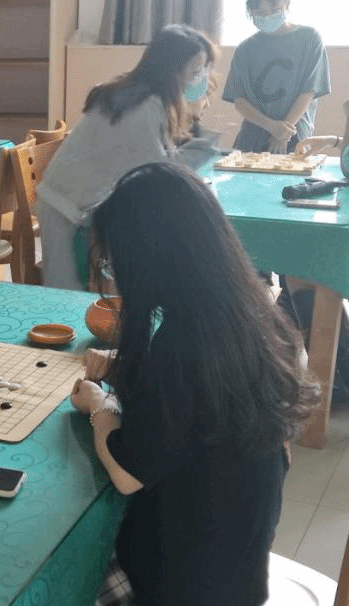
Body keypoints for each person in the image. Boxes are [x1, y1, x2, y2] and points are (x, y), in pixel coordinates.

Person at [71, 162, 319, 606]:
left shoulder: (182, 344)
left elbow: (128, 474)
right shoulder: (251, 313)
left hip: (184, 586)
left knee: (67, 563)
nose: (115, 274)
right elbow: (194, 403)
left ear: (148, 261)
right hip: (239, 571)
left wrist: (99, 405)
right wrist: (124, 368)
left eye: (114, 262)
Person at [35, 24, 216, 291]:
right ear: (171, 71)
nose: (202, 79)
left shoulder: (145, 97)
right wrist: (200, 155)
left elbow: (157, 162)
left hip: (81, 204)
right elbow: (156, 175)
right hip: (65, 209)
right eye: (196, 72)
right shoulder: (142, 107)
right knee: (65, 297)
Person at [222, 0, 330, 154]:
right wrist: (271, 126)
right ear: (250, 11)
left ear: (287, 4)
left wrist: (284, 132)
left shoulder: (309, 38)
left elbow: (309, 91)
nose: (266, 16)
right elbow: (239, 100)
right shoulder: (244, 49)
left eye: (273, 9)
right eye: (259, 12)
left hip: (294, 135)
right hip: (252, 138)